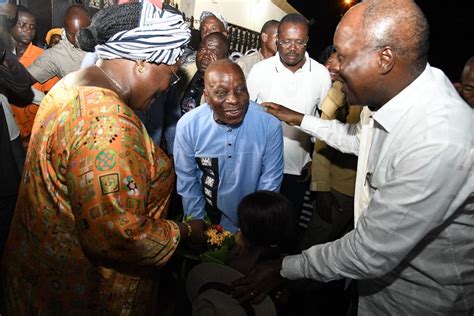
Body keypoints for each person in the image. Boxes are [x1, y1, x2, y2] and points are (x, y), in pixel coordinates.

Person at [232, 0, 473, 314]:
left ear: (384, 58)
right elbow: (357, 139)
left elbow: (369, 251)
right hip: (374, 292)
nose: (335, 68)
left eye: (343, 57)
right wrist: (300, 119)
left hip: (419, 305)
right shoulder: (398, 98)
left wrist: (284, 268)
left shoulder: (438, 139)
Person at [2, 3, 204, 314]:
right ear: (141, 61)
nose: (166, 87)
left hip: (36, 275)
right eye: (171, 75)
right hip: (80, 292)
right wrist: (185, 232)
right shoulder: (108, 123)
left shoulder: (71, 85)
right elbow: (119, 234)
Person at [173, 59, 284, 236]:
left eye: (241, 89)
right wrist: (197, 220)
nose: (234, 100)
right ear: (207, 97)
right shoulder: (188, 126)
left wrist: (250, 232)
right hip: (207, 219)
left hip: (252, 223)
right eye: (221, 93)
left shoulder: (269, 125)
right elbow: (188, 179)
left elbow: (269, 184)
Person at [246, 13, 331, 222]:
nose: (292, 48)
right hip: (260, 166)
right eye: (285, 42)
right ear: (277, 40)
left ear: (307, 41)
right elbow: (246, 117)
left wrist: (316, 163)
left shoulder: (321, 75)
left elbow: (325, 124)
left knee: (287, 228)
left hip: (298, 169)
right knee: (257, 225)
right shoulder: (259, 71)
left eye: (299, 42)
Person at [9, 5, 59, 150]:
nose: (28, 30)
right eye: (22, 25)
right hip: (10, 133)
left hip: (35, 135)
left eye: (32, 27)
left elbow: (52, 100)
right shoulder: (4, 56)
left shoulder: (43, 59)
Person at [27, 4, 91, 84]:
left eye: (82, 33)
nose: (77, 40)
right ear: (65, 30)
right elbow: (23, 80)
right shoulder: (56, 54)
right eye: (71, 34)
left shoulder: (104, 41)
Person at [180, 31, 229, 115]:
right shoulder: (184, 73)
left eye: (213, 52)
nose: (206, 55)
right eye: (202, 49)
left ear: (224, 59)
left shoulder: (226, 90)